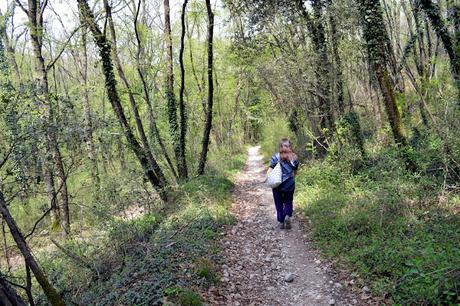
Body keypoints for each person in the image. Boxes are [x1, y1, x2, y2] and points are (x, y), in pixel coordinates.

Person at [267, 139, 299, 229]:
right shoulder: (294, 158)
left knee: (279, 203)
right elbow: (295, 171)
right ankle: (287, 215)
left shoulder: (275, 157)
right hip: (290, 184)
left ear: (280, 147)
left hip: (277, 185)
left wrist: (267, 177)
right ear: (290, 147)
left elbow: (270, 169)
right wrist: (292, 178)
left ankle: (281, 221)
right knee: (289, 201)